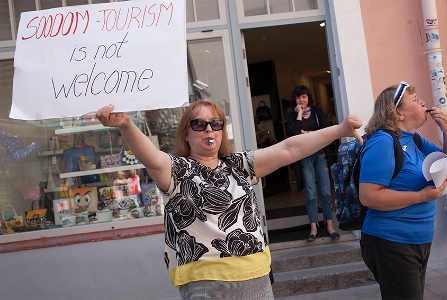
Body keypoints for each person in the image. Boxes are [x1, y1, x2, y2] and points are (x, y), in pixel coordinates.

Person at [96, 100, 362, 299]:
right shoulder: (177, 170)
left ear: (222, 130)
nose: (208, 129)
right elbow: (150, 156)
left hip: (256, 276)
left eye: (216, 123)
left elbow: (288, 149)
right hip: (206, 283)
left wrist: (339, 130)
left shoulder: (239, 164)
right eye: (199, 124)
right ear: (186, 133)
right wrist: (126, 125)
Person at [358, 81, 447, 299]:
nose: (423, 103)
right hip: (392, 240)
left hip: (419, 239)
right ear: (397, 113)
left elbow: (445, 163)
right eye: (416, 100)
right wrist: (421, 196)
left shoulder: (414, 140)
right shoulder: (383, 141)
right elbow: (369, 196)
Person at [285, 85, 340, 242]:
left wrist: (306, 134)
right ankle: (313, 229)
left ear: (309, 97)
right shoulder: (291, 116)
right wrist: (300, 114)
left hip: (321, 155)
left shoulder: (317, 112)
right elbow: (294, 133)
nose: (301, 100)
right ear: (294, 100)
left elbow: (326, 132)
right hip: (305, 158)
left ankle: (330, 226)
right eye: (298, 97)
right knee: (310, 194)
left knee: (326, 192)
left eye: (304, 96)